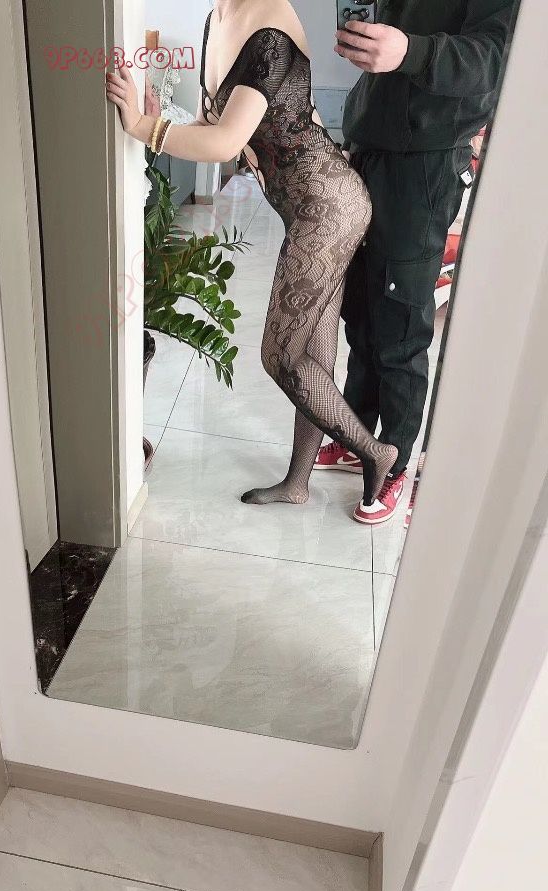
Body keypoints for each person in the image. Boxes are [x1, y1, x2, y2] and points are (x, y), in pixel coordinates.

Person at [106, 0, 398, 509]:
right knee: (313, 356)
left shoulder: (270, 32)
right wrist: (159, 119)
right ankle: (297, 484)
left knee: (282, 356)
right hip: (311, 209)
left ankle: (375, 452)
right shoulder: (215, 20)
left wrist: (141, 127)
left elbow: (225, 143)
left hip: (329, 207)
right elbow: (210, 121)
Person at [315, 0, 515, 524]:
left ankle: (395, 459)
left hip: (426, 158)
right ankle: (358, 435)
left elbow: (498, 58)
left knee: (400, 320)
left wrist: (410, 52)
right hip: (370, 139)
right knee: (361, 307)